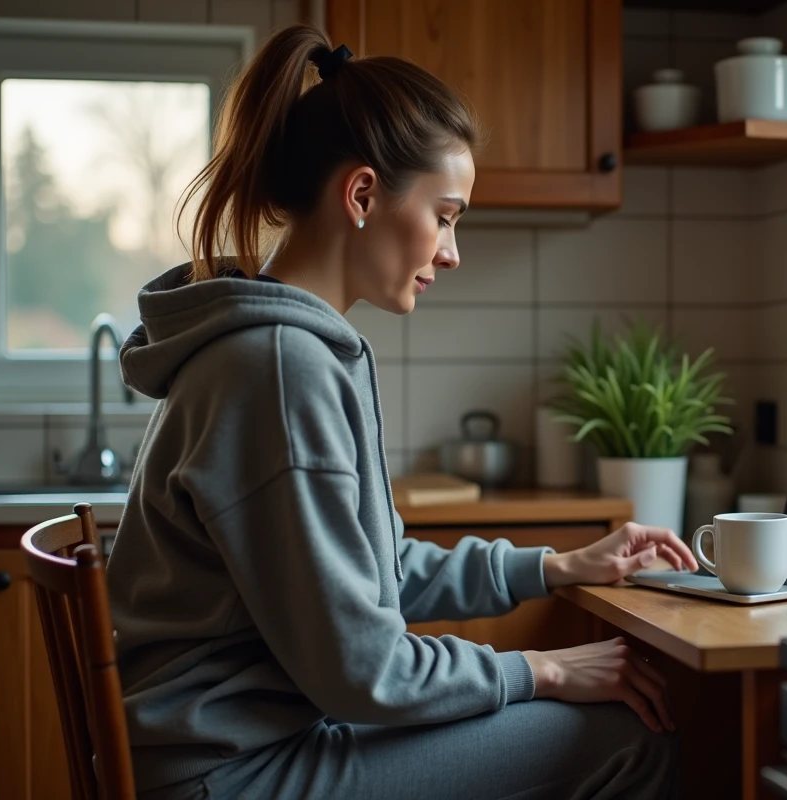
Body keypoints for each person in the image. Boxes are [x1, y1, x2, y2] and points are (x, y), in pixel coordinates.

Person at [106, 25, 698, 800]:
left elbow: (367, 576)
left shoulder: (287, 351)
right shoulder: (280, 368)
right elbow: (367, 670)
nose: (451, 250)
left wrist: (553, 568)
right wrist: (541, 669)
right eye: (446, 215)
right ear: (361, 195)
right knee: (623, 738)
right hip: (231, 774)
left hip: (242, 747)